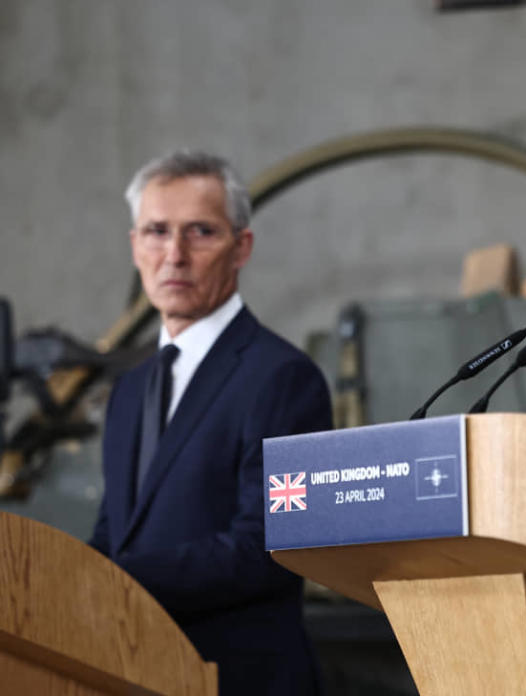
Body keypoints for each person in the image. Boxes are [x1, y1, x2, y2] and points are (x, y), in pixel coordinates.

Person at [88, 150, 332, 695]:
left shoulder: (283, 378)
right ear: (135, 247)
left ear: (241, 247)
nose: (174, 254)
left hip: (239, 681)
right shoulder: (129, 389)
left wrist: (112, 582)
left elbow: (267, 546)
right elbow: (114, 531)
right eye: (156, 232)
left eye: (200, 232)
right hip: (135, 673)